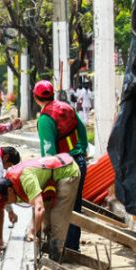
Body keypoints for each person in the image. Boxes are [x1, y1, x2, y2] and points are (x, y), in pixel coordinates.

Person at [32, 80, 89, 253]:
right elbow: (82, 129)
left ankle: (63, 249)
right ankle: (73, 247)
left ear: (35, 98)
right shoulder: (66, 107)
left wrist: (48, 179)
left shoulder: (45, 120)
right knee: (75, 206)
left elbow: (49, 153)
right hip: (79, 161)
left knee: (61, 209)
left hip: (64, 167)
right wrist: (83, 148)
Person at [0, 154, 81, 259]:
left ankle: (56, 259)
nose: (6, 204)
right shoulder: (0, 191)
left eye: (6, 201)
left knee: (57, 219)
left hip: (67, 171)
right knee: (47, 224)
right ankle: (52, 253)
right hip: (49, 179)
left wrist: (33, 232)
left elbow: (39, 209)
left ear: (10, 190)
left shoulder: (26, 179)